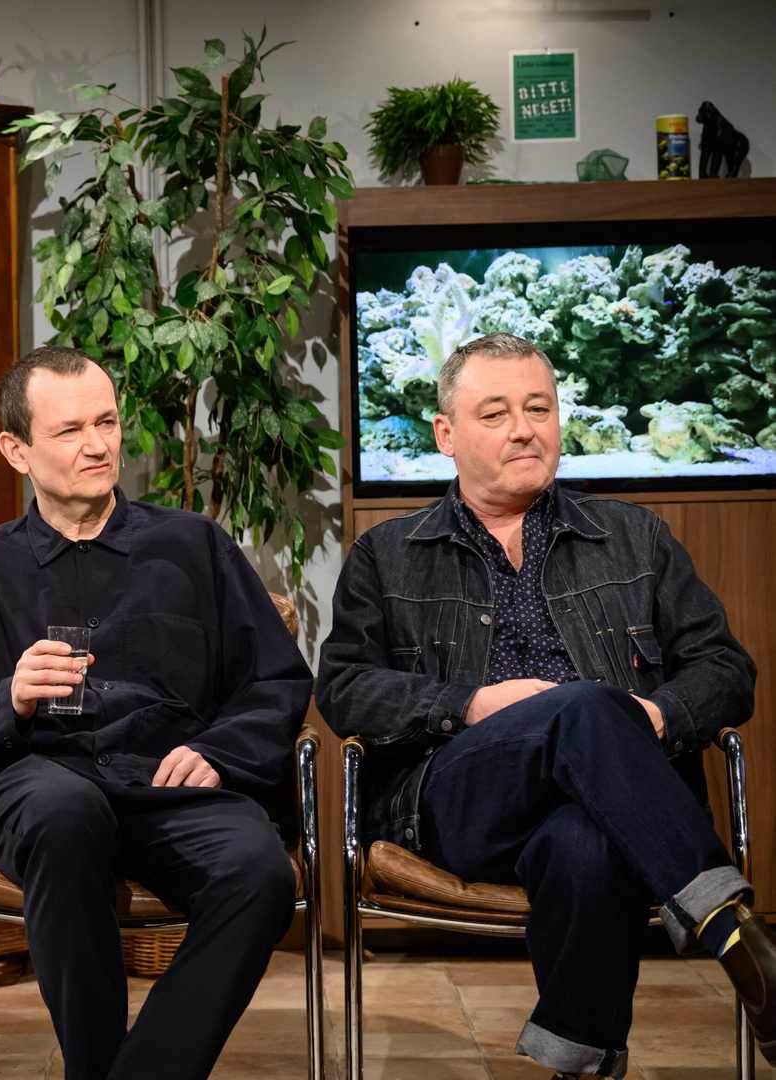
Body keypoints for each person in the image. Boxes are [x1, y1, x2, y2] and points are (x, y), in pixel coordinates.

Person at [316, 332, 776, 1077]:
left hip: (612, 801)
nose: (524, 429)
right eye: (495, 413)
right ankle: (732, 927)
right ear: (446, 435)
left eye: (539, 408)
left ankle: (582, 1063)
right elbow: (343, 688)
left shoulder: (634, 537)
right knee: (583, 707)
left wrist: (653, 717)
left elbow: (727, 670)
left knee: (583, 845)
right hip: (460, 799)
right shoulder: (389, 553)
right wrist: (469, 703)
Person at [0, 347, 312, 1079]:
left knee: (259, 872)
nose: (99, 445)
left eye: (106, 422)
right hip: (37, 782)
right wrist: (7, 696)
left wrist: (222, 751)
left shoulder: (194, 546)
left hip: (168, 785)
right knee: (64, 811)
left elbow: (277, 680)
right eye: (70, 430)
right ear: (17, 450)